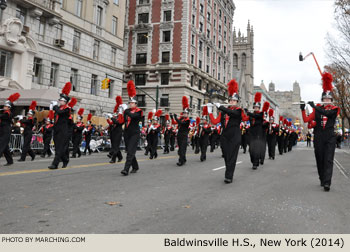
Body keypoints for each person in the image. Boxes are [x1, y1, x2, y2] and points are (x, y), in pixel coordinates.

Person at [300, 72, 339, 191]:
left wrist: (315, 107)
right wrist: (302, 110)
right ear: (322, 99)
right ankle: (322, 178)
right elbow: (307, 119)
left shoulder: (335, 109)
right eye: (325, 98)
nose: (326, 100)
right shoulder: (318, 109)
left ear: (331, 99)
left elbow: (327, 114)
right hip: (319, 136)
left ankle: (327, 182)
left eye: (328, 98)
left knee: (328, 159)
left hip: (330, 136)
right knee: (320, 158)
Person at [209, 79, 248, 183]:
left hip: (235, 136)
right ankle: (228, 170)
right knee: (226, 155)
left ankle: (229, 176)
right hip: (225, 136)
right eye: (230, 100)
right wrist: (210, 112)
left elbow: (232, 113)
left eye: (234, 101)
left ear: (237, 102)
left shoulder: (238, 111)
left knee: (232, 157)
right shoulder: (224, 112)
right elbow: (214, 121)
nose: (232, 102)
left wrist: (220, 107)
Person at [120, 80, 143, 175]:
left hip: (135, 133)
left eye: (132, 103)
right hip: (127, 132)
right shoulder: (127, 111)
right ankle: (135, 166)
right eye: (130, 102)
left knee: (130, 151)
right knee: (130, 150)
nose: (130, 104)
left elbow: (134, 117)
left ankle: (126, 169)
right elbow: (122, 121)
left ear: (136, 104)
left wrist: (126, 111)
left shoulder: (139, 111)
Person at [48, 82, 72, 169]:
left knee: (60, 147)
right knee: (58, 147)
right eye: (60, 100)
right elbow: (55, 118)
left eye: (61, 100)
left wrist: (55, 107)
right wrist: (52, 108)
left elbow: (60, 112)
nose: (59, 101)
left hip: (63, 131)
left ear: (65, 101)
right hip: (57, 130)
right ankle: (65, 159)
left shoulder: (67, 109)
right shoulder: (59, 108)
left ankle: (55, 164)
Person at [246, 92, 266, 170]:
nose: (256, 108)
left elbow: (255, 116)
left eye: (257, 107)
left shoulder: (261, 114)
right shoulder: (251, 115)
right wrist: (243, 112)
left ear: (259, 108)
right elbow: (246, 118)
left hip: (258, 134)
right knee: (251, 150)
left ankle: (255, 163)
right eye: (255, 107)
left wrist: (248, 113)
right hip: (251, 134)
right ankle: (253, 161)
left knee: (256, 149)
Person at [0, 93, 20, 166]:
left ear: (9, 107)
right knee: (5, 147)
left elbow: (2, 116)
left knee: (1, 145)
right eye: (4, 106)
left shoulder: (7, 114)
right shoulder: (4, 112)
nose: (4, 107)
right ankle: (10, 161)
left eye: (6, 106)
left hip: (6, 131)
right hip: (2, 130)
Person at [170, 96, 191, 166]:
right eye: (183, 113)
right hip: (179, 135)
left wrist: (176, 118)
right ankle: (183, 159)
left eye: (185, 113)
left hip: (184, 135)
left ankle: (181, 161)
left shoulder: (187, 120)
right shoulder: (181, 118)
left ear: (187, 114)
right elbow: (174, 122)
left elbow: (181, 123)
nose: (184, 114)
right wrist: (172, 117)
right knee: (180, 150)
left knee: (182, 149)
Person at [107, 96, 123, 163]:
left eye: (117, 110)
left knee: (115, 146)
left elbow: (118, 122)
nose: (116, 112)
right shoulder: (115, 117)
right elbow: (112, 124)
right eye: (116, 110)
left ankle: (113, 159)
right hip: (113, 133)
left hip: (118, 133)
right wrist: (108, 119)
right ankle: (120, 157)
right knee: (115, 146)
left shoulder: (121, 117)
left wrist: (112, 118)